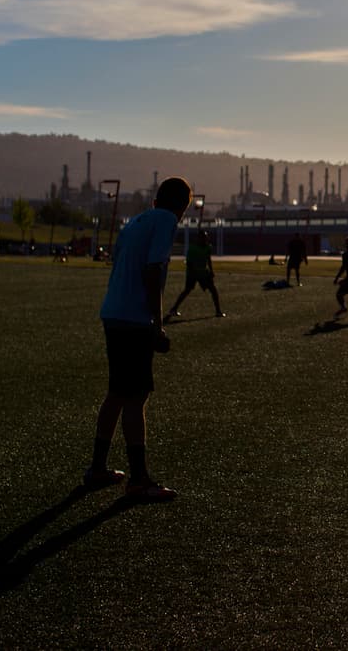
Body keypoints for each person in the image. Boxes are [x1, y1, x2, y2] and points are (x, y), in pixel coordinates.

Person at [85, 176, 191, 501]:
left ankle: (97, 468)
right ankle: (139, 479)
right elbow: (152, 272)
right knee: (135, 396)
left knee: (117, 393)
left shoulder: (135, 222)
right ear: (182, 207)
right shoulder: (166, 221)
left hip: (113, 312)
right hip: (134, 318)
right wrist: (156, 325)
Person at [165, 230, 225, 320]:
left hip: (204, 273)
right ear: (198, 238)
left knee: (213, 290)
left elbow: (208, 260)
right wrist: (194, 273)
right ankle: (174, 309)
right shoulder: (192, 249)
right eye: (203, 237)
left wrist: (211, 271)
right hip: (193, 274)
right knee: (187, 290)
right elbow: (189, 263)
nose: (205, 239)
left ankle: (218, 311)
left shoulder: (208, 247)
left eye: (206, 237)